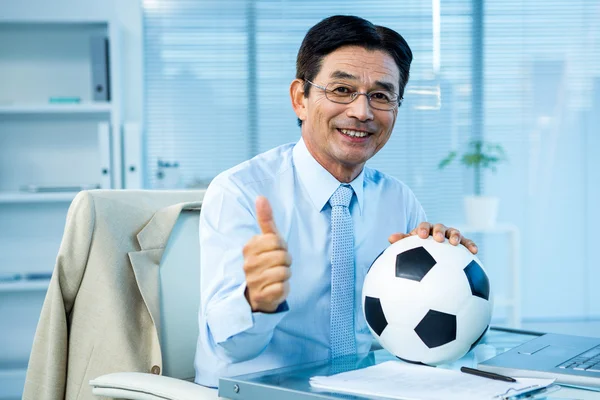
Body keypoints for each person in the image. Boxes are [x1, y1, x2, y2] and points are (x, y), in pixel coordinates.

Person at [194, 15, 478, 388]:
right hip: (254, 393)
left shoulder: (398, 199)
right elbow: (229, 349)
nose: (362, 112)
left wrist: (446, 270)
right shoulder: (241, 193)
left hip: (360, 389)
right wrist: (256, 301)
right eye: (342, 90)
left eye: (380, 95)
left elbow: (412, 332)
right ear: (301, 99)